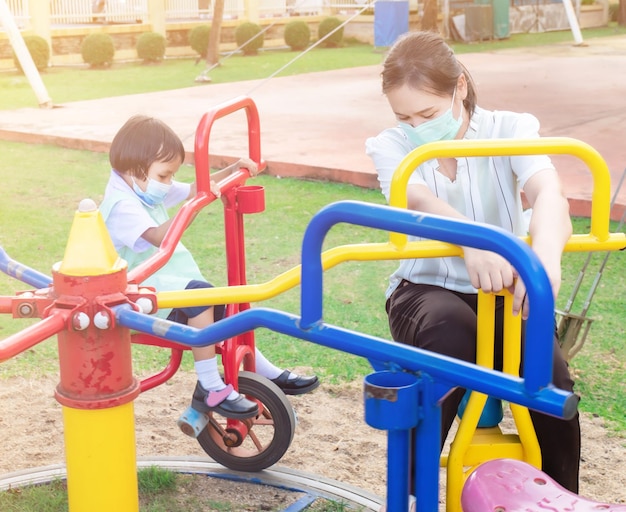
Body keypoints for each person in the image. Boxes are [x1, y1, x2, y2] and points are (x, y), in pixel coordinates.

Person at [365, 30, 580, 500]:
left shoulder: (511, 128)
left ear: (459, 86)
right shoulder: (390, 145)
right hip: (426, 291)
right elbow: (415, 196)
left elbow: (548, 193)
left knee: (548, 374)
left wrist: (543, 261)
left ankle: (563, 495)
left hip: (505, 289)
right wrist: (472, 241)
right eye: (404, 116)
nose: (417, 126)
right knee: (451, 335)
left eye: (428, 113)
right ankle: (414, 491)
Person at [100, 115, 319, 420]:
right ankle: (209, 385)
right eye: (164, 175)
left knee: (231, 307)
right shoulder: (121, 205)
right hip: (138, 298)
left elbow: (194, 188)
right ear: (134, 170)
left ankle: (262, 370)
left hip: (163, 285)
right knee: (201, 298)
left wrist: (233, 170)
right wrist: (194, 208)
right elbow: (159, 238)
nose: (168, 183)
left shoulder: (144, 186)